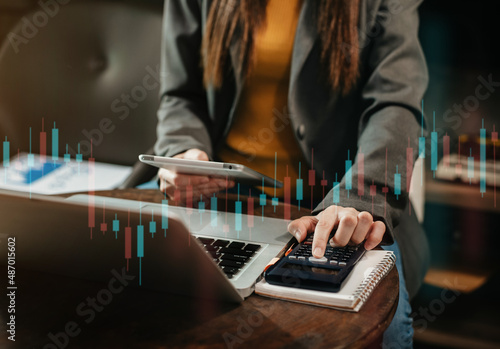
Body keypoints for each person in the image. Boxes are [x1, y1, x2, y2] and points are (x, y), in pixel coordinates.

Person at [153, 0, 430, 347]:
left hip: (334, 202)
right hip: (222, 195)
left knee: (383, 335)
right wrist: (184, 153)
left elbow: (396, 105)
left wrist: (360, 199)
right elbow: (180, 95)